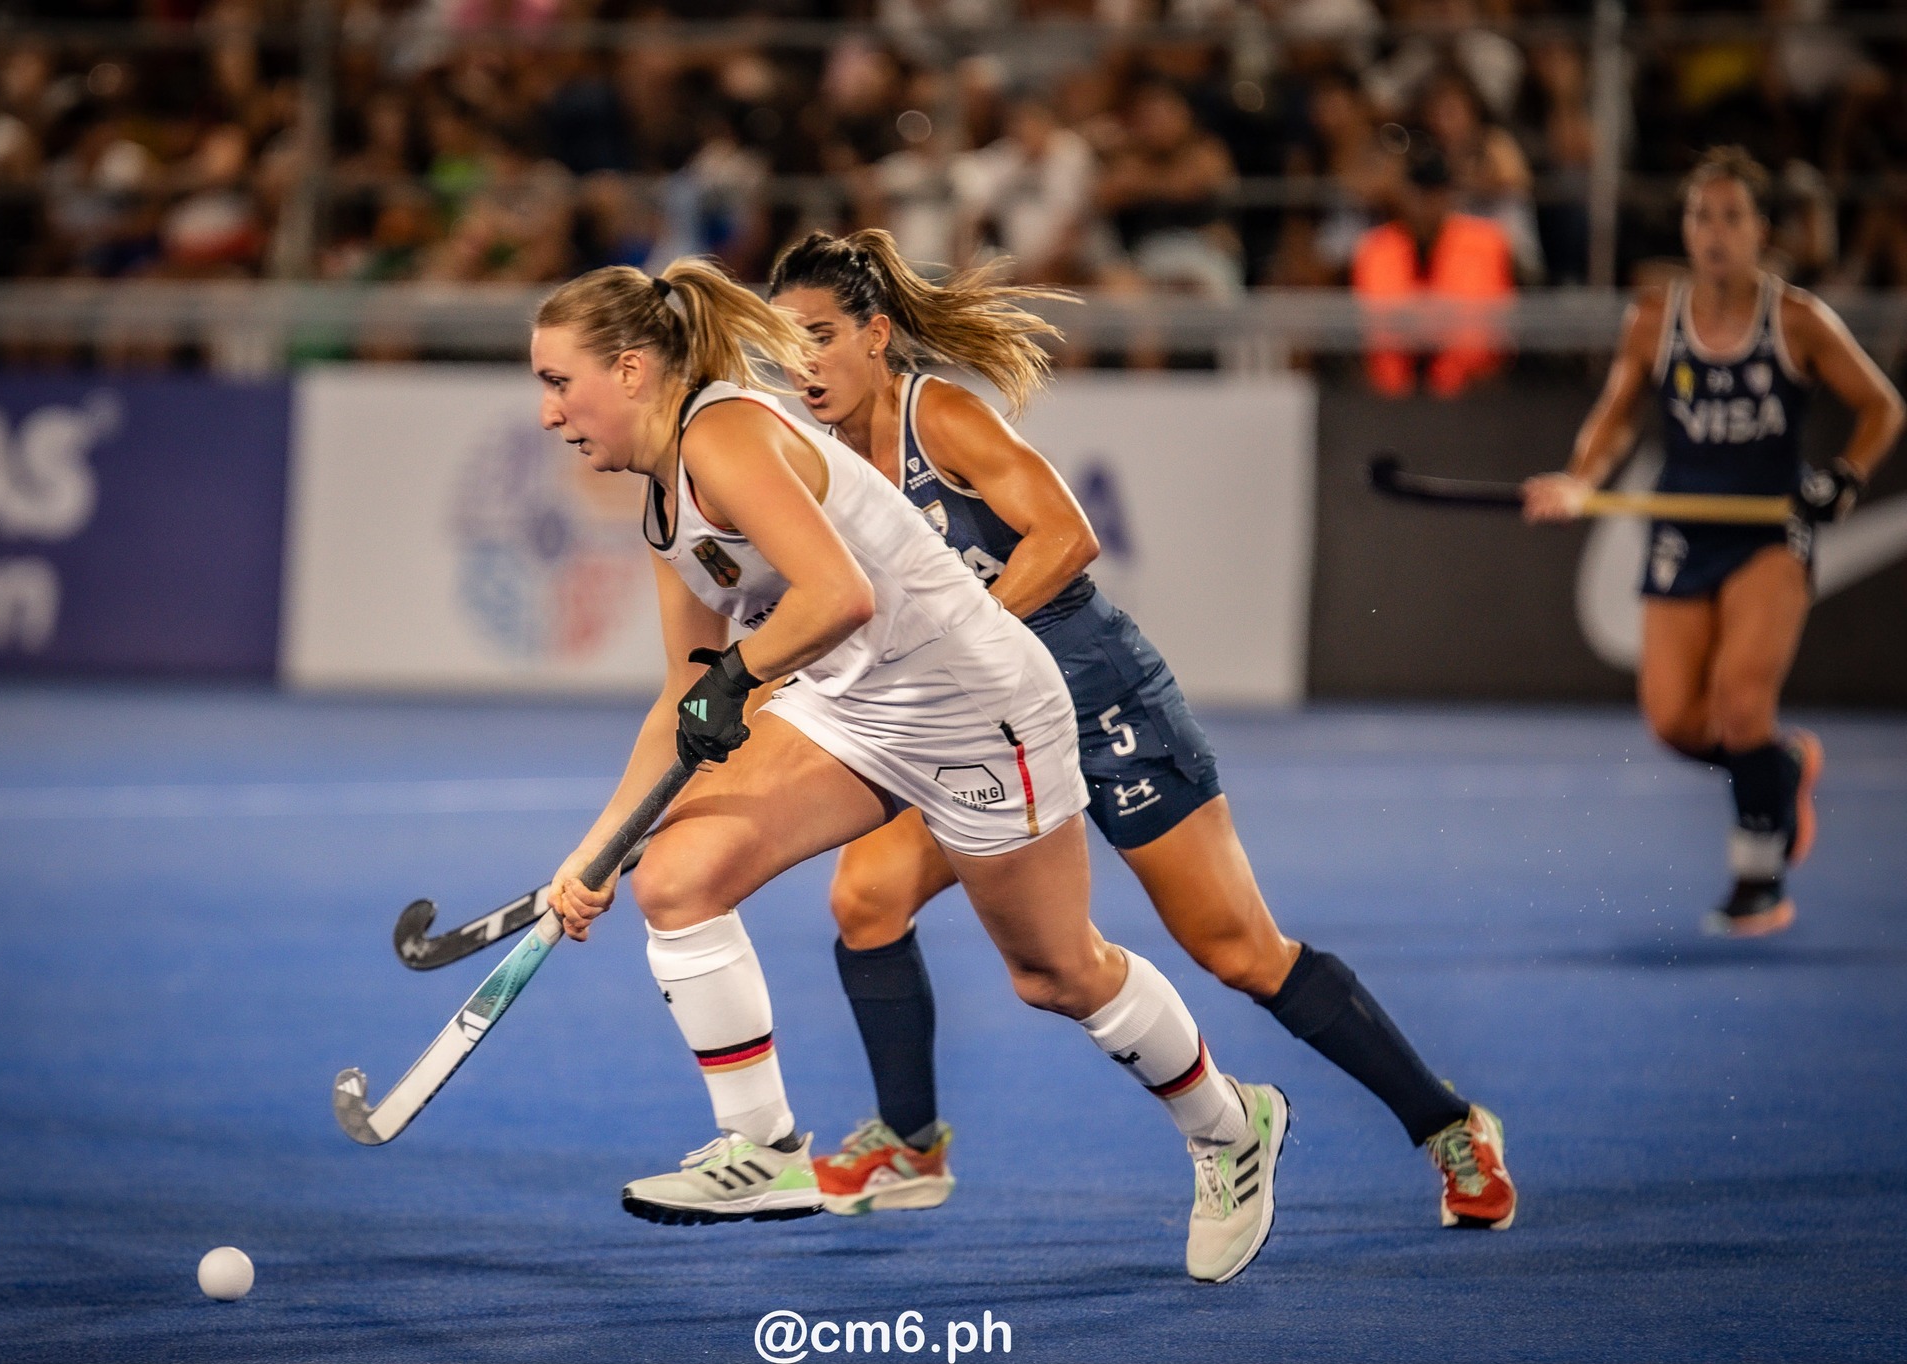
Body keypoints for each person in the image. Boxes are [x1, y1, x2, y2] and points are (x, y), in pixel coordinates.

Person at [533, 257, 1289, 1283]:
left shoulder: (726, 433)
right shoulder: (663, 504)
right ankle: (763, 1148)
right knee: (674, 876)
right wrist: (593, 854)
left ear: (627, 371)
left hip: (978, 704)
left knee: (1053, 972)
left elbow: (835, 595)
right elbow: (684, 693)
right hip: (861, 705)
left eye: (554, 382)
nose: (546, 413)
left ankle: (1227, 1121)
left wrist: (740, 675)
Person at [767, 228, 1518, 1232]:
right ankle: (908, 1143)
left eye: (818, 335)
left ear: (875, 334)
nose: (799, 361)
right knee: (865, 896)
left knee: (1238, 949)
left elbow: (1064, 535)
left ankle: (1447, 1123)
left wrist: (956, 632)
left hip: (1091, 694)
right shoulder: (803, 455)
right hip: (975, 719)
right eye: (782, 342)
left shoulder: (934, 414)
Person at [1525, 146, 1902, 937]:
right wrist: (1578, 478)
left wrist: (1844, 476)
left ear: (1762, 229)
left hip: (1769, 533)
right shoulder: (1656, 319)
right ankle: (1781, 767)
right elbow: (1617, 414)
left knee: (1740, 704)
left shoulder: (1796, 318)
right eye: (1703, 217)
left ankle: (1757, 877)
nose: (1716, 232)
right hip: (1685, 530)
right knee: (1674, 721)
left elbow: (1883, 408)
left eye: (1733, 216)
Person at [1353, 137, 1516, 398]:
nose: (1425, 203)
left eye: (1435, 192)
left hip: (1471, 394)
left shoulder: (1488, 243)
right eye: (1417, 191)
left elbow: (1494, 329)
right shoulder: (1374, 248)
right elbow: (1370, 328)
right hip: (1390, 396)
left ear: (1449, 194)